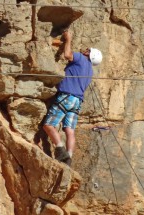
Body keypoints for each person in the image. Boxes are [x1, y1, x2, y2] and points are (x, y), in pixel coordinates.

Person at [43, 30, 102, 167]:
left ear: (89, 55)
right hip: (77, 101)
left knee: (48, 125)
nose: (85, 50)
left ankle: (60, 149)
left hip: (67, 96)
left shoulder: (81, 59)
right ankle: (69, 157)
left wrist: (68, 39)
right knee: (70, 130)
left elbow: (67, 55)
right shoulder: (90, 71)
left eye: (88, 50)